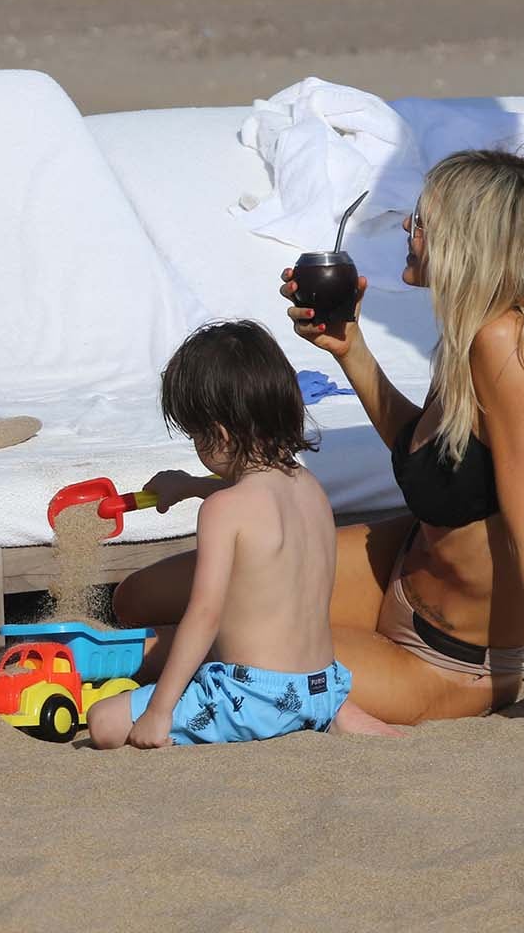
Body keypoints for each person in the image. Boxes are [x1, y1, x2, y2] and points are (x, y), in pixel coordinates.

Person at [117, 150, 524, 725]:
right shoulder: (467, 336)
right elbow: (426, 451)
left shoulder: (504, 349)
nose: (407, 228)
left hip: (443, 660)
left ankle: (81, 670)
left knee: (226, 648)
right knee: (137, 598)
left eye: (422, 220)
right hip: (394, 572)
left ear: (469, 242)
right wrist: (350, 348)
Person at [89, 321, 398, 749]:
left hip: (253, 697)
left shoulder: (223, 511)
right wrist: (190, 485)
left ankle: (259, 717)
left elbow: (204, 615)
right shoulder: (308, 488)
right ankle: (336, 714)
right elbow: (258, 503)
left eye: (196, 434)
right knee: (303, 690)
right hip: (321, 686)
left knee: (102, 720)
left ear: (218, 434)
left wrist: (160, 711)